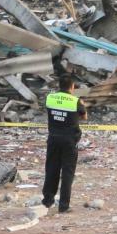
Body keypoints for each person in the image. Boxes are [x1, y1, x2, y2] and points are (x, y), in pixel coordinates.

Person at [41, 74, 87, 213]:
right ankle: (63, 206)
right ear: (72, 86)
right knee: (67, 173)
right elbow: (84, 117)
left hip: (53, 138)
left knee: (51, 170)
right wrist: (82, 105)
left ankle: (47, 201)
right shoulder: (75, 101)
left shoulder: (50, 98)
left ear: (59, 85)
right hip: (69, 141)